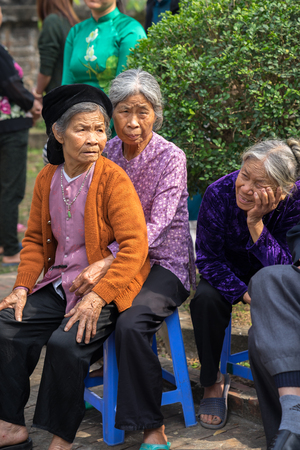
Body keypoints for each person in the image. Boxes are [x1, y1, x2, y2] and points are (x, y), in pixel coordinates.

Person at [0, 83, 150, 450]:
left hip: (104, 288)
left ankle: (61, 438)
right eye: (83, 129)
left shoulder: (113, 179)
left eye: (100, 129)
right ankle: (10, 425)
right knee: (5, 327)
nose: (94, 139)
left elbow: (135, 247)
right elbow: (35, 241)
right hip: (58, 283)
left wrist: (99, 297)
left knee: (65, 344)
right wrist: (21, 287)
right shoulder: (46, 178)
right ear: (58, 132)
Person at [74, 68, 195, 449]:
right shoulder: (106, 151)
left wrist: (107, 260)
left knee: (132, 323)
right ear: (112, 113)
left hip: (164, 262)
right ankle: (74, 395)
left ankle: (152, 428)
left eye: (142, 112)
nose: (133, 122)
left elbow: (155, 225)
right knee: (71, 300)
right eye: (124, 111)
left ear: (156, 113)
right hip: (122, 261)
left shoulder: (171, 157)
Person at [189, 138, 300, 431]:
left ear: (281, 189)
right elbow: (208, 259)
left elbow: (286, 268)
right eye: (244, 175)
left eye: (258, 182)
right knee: (205, 301)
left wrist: (255, 223)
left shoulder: (295, 202)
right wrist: (243, 292)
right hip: (226, 271)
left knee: (281, 310)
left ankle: (288, 390)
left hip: (273, 275)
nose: (246, 187)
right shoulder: (219, 192)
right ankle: (212, 381)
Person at [248, 204, 300, 449]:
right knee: (266, 278)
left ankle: (291, 427)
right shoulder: (218, 195)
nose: (249, 188)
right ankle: (292, 421)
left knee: (261, 335)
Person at [0, 6, 42, 266]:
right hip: (10, 126)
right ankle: (10, 248)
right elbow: (11, 85)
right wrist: (32, 104)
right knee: (10, 189)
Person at [61, 0, 147, 94]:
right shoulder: (76, 32)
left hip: (110, 106)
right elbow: (66, 86)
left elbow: (125, 92)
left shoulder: (130, 30)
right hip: (74, 106)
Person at [33, 0, 79, 99]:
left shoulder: (52, 21)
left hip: (60, 96)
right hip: (75, 94)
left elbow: (46, 69)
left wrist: (37, 93)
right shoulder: (74, 23)